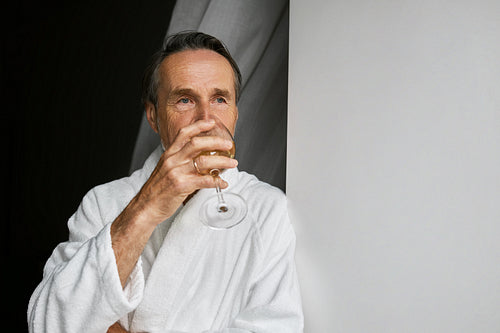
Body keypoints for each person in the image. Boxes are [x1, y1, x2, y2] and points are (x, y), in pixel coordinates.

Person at [27, 31, 303, 333]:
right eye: (185, 100)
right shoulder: (103, 203)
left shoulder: (267, 210)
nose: (206, 119)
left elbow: (275, 327)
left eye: (220, 99)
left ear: (236, 113)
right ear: (153, 115)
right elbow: (49, 322)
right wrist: (146, 207)